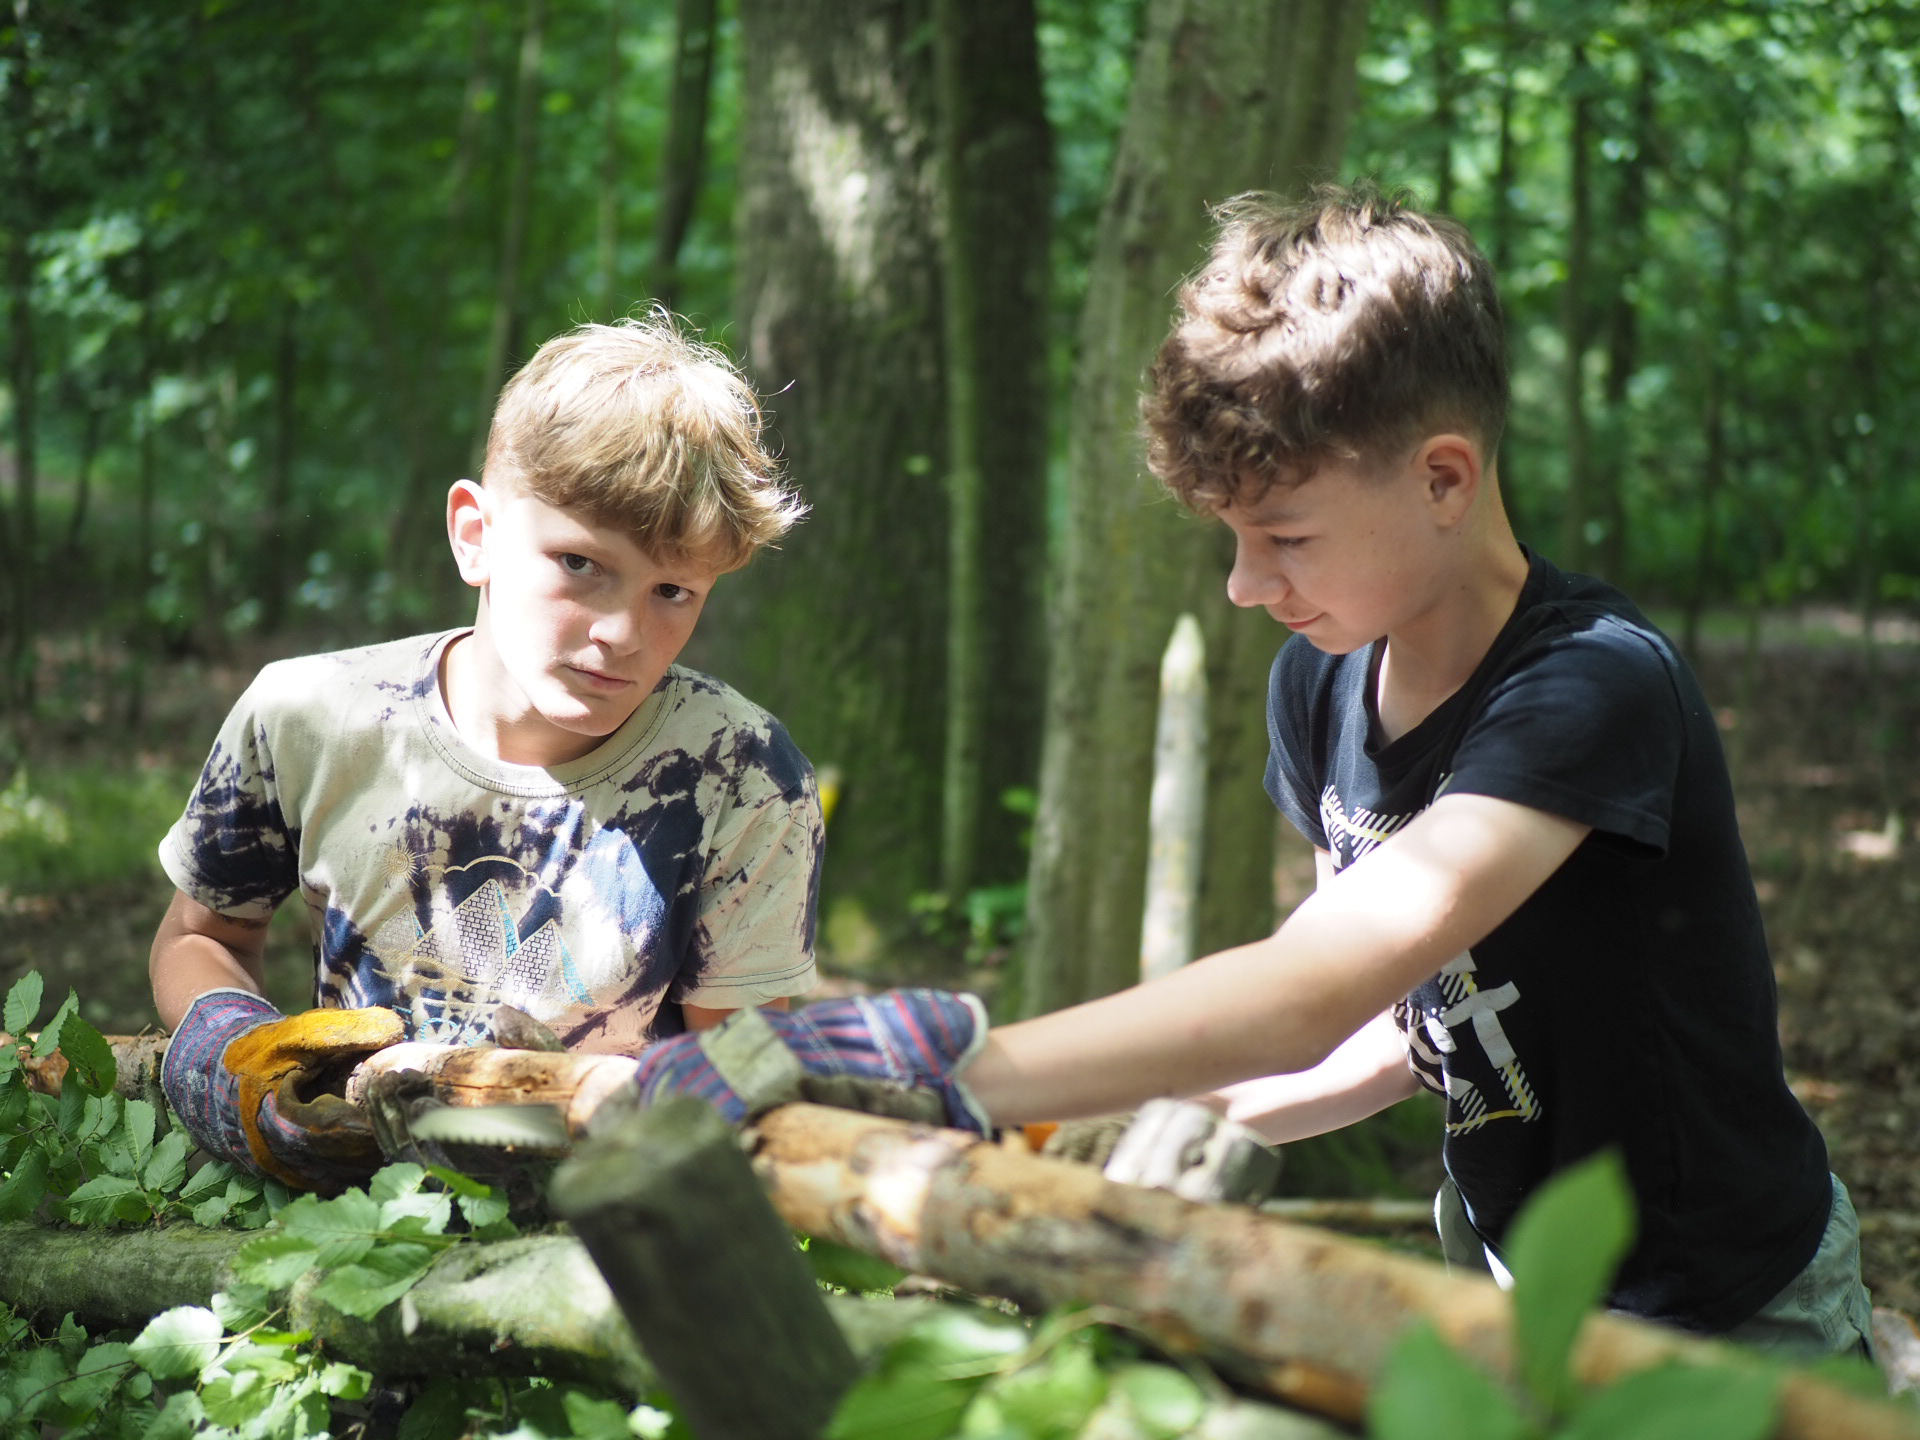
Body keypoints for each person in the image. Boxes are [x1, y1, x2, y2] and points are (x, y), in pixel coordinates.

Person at [630, 183, 1875, 1359]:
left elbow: (1308, 991)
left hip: (1722, 1307)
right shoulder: (1320, 686)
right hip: (1506, 1265)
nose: (1243, 583)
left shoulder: (1592, 686)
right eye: (1232, 536)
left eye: (1284, 535)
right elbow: (1400, 1027)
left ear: (1443, 478)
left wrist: (946, 1063)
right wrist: (1128, 1128)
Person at [153, 315, 821, 1193]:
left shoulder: (744, 776)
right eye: (580, 564)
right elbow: (201, 935)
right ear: (475, 533)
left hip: (602, 1216)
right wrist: (239, 1054)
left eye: (673, 590)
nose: (623, 632)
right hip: (343, 1215)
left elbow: (734, 1077)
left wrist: (545, 1112)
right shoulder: (307, 716)